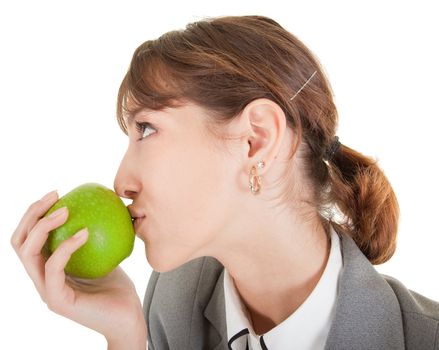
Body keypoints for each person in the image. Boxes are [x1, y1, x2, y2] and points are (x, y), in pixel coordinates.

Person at [11, 15, 439, 350]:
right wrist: (125, 337)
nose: (121, 182)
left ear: (256, 140)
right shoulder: (171, 304)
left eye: (146, 129)